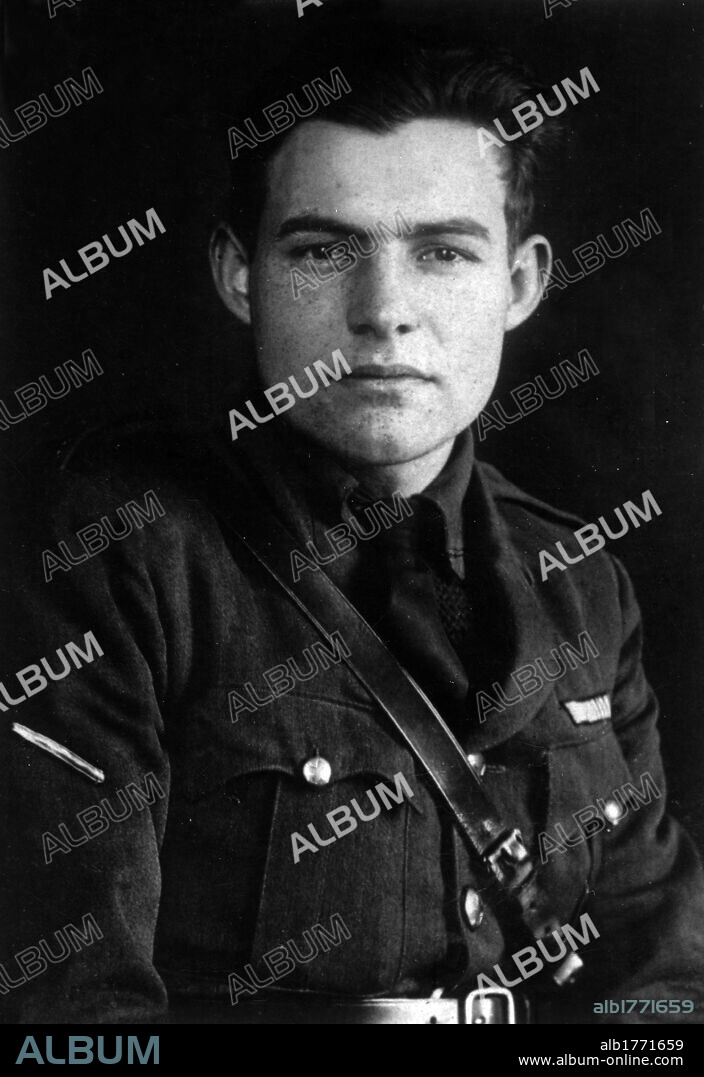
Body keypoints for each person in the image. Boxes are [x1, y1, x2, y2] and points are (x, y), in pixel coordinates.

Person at [2, 24, 703, 1026]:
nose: (384, 311)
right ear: (237, 275)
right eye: (325, 249)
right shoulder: (114, 555)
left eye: (442, 253)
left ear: (518, 284)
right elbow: (70, 1013)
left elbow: (659, 978)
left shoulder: (578, 580)